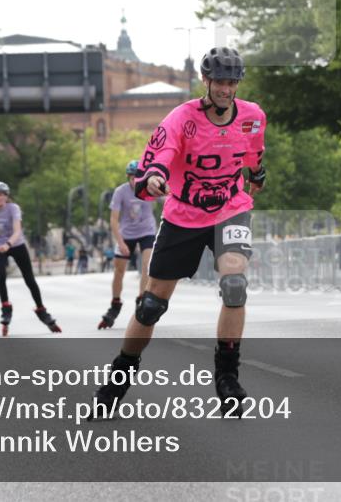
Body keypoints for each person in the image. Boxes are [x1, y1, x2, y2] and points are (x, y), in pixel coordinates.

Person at [93, 47, 266, 418]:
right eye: (218, 81)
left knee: (235, 285)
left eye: (231, 82)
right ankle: (119, 376)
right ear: (205, 80)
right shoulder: (182, 118)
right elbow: (158, 157)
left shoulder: (252, 116)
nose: (225, 88)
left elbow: (254, 153)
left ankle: (227, 377)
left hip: (231, 209)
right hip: (184, 215)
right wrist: (154, 177)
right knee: (151, 305)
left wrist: (256, 174)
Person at [0, 182, 61, 336]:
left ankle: (41, 310)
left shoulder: (13, 208)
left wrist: (8, 244)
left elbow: (17, 230)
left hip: (16, 245)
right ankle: (6, 308)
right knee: (0, 275)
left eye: (1, 194)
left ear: (6, 196)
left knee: (29, 279)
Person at [97, 159, 159, 329]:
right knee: (119, 270)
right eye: (132, 177)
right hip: (126, 234)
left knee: (147, 265)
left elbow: (167, 197)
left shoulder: (149, 188)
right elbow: (113, 219)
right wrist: (120, 242)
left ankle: (141, 299)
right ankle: (115, 304)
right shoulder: (120, 192)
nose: (135, 180)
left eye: (138, 177)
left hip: (147, 231)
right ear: (128, 177)